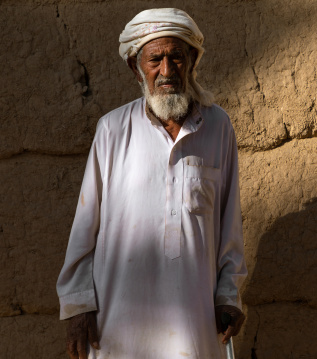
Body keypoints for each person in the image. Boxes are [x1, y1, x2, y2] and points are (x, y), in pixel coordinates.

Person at [56, 8, 247, 359]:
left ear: (192, 60)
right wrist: (78, 304)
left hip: (194, 324)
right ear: (136, 67)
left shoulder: (218, 128)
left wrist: (229, 296)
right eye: (154, 59)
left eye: (176, 57)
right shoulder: (112, 131)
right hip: (118, 324)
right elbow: (85, 227)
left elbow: (229, 224)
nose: (166, 70)